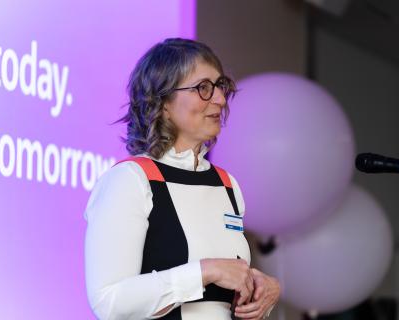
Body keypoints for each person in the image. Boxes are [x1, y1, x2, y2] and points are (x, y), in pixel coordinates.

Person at [84, 38, 280, 320]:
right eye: (203, 88)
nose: (220, 99)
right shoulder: (130, 180)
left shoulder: (227, 184)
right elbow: (109, 301)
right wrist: (205, 272)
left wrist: (262, 289)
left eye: (220, 86)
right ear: (162, 102)